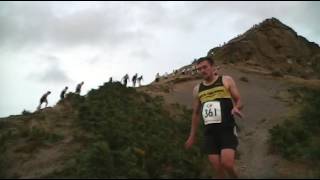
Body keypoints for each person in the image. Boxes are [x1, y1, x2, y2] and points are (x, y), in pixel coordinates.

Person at [185, 57, 243, 179]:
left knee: (227, 164)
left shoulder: (226, 80)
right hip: (209, 133)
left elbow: (239, 100)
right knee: (217, 169)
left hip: (226, 128)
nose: (202, 70)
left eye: (205, 67)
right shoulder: (197, 89)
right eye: (199, 69)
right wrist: (192, 136)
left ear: (212, 67)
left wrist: (236, 107)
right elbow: (195, 114)